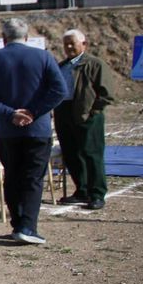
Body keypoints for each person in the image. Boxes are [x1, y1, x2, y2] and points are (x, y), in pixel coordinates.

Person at [0, 18, 72, 245]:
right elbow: (60, 90)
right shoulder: (44, 57)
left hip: (7, 130)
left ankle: (18, 224)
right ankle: (28, 226)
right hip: (37, 129)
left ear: (3, 38)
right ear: (27, 37)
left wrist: (10, 113)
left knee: (12, 176)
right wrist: (33, 111)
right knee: (33, 178)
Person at [56, 28, 115, 209]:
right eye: (66, 44)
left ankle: (97, 193)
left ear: (84, 44)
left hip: (87, 114)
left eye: (72, 43)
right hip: (64, 112)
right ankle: (81, 190)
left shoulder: (94, 64)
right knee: (72, 153)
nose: (68, 47)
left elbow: (106, 93)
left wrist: (92, 111)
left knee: (91, 154)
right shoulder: (62, 66)